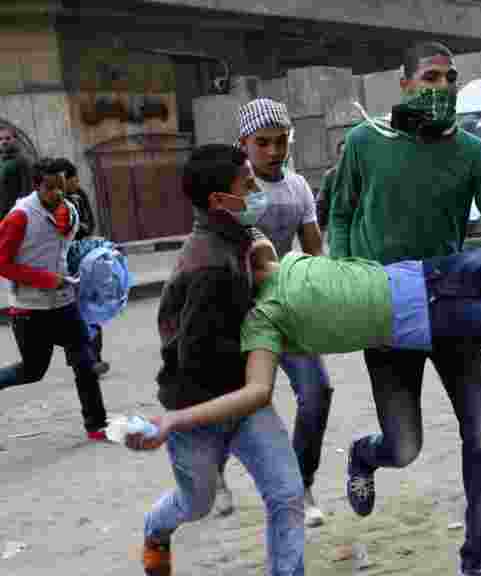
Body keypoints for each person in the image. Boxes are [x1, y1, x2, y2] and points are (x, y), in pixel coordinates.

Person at [327, 40, 481, 576]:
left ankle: (480, 561)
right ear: (405, 82)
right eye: (431, 77)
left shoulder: (471, 152)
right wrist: (347, 277)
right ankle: (366, 454)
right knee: (405, 445)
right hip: (384, 310)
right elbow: (341, 214)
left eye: (450, 79)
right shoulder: (364, 143)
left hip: (454, 308)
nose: (442, 88)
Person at [131, 144, 304, 576]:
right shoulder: (208, 266)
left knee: (286, 494)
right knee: (196, 503)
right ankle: (156, 528)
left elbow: (257, 253)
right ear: (218, 201)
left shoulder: (234, 235)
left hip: (245, 400)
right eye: (247, 185)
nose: (256, 190)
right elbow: (189, 357)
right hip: (197, 407)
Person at [212, 98, 333, 529]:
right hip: (239, 313)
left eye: (281, 141)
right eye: (262, 142)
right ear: (243, 144)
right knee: (233, 404)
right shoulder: (231, 192)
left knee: (317, 393)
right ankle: (214, 476)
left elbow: (315, 247)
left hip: (287, 308)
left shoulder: (298, 187)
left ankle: (303, 484)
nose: (273, 150)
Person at [0, 157, 110, 441]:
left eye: (61, 186)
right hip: (30, 310)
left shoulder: (70, 210)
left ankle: (97, 426)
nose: (57, 193)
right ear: (37, 187)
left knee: (84, 362)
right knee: (32, 371)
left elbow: (67, 250)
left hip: (65, 303)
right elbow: (3, 264)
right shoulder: (19, 216)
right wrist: (46, 279)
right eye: (50, 188)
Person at [54, 158, 110, 377]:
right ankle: (82, 361)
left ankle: (95, 358)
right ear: (63, 180)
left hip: (84, 257)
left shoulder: (80, 196)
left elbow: (89, 223)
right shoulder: (54, 202)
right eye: (73, 178)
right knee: (73, 312)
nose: (77, 181)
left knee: (92, 307)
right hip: (64, 264)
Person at [0, 126, 32, 217]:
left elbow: (26, 192)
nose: (4, 142)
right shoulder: (1, 161)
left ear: (15, 140)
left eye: (7, 138)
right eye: (0, 139)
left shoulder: (22, 161)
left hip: (12, 214)